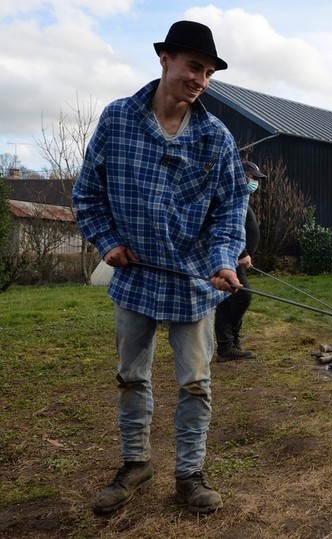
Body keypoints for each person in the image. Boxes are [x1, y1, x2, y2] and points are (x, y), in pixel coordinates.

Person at [72, 20, 247, 515]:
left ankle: (190, 474)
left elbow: (230, 211)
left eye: (209, 72)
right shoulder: (117, 120)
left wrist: (221, 261)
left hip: (193, 283)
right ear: (165, 59)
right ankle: (135, 463)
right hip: (134, 277)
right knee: (131, 377)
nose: (201, 79)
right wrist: (107, 241)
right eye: (195, 66)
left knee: (195, 382)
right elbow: (87, 194)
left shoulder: (216, 137)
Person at [214, 161, 265, 361]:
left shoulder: (242, 198)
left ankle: (232, 342)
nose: (255, 183)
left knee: (237, 298)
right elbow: (228, 226)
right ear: (242, 175)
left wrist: (246, 255)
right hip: (230, 257)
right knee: (238, 297)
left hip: (238, 259)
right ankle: (226, 346)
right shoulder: (230, 195)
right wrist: (243, 252)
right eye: (252, 178)